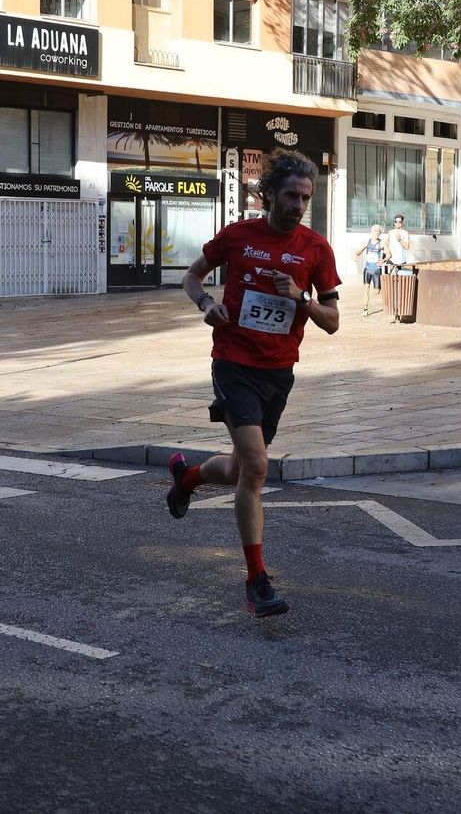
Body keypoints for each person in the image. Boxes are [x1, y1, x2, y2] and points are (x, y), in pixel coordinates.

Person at [165, 149, 342, 619]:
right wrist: (205, 303)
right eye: (290, 195)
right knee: (259, 468)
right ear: (269, 194)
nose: (298, 205)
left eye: (305, 197)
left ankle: (187, 477)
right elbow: (191, 277)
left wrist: (302, 301)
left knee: (247, 469)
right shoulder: (238, 236)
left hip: (278, 371)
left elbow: (333, 321)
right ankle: (256, 580)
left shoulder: (316, 250)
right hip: (233, 362)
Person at [355, 224, 386, 316]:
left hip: (376, 269)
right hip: (367, 269)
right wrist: (356, 255)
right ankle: (365, 309)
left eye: (378, 231)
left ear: (380, 233)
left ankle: (378, 288)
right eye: (375, 231)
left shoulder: (382, 243)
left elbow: (389, 254)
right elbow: (359, 251)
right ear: (371, 232)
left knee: (377, 291)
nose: (377, 233)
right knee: (366, 288)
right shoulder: (367, 242)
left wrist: (383, 260)